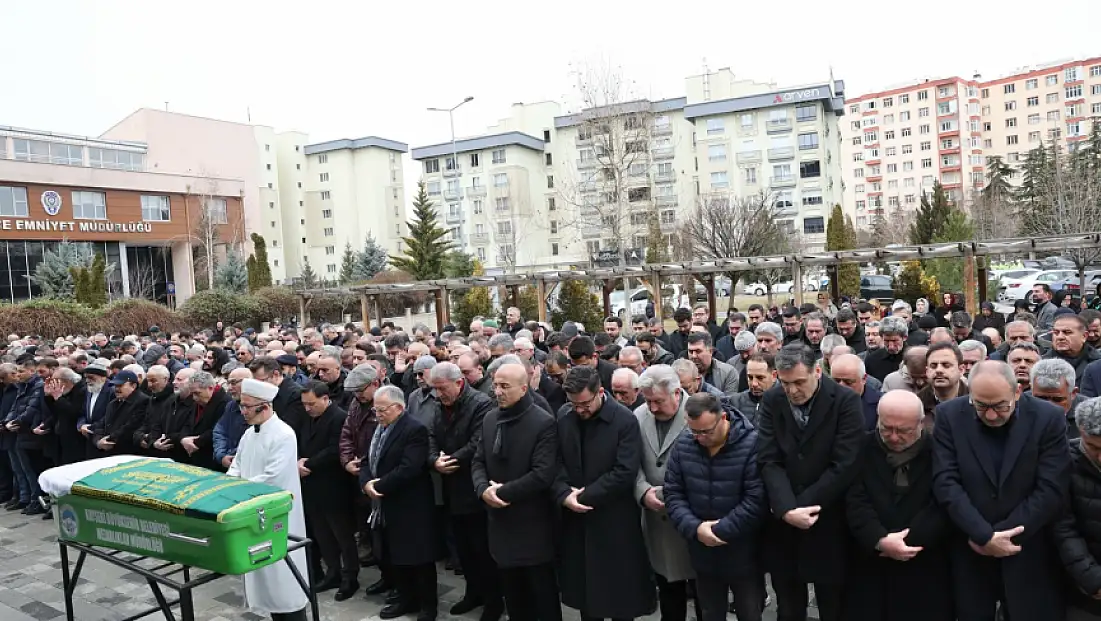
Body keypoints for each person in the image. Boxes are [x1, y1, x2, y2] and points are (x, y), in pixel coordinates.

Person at [932, 360, 1071, 620]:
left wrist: (1002, 538)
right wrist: (983, 535)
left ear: (1017, 392)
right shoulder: (949, 416)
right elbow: (945, 481)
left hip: (1028, 550)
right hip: (970, 550)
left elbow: (1051, 488)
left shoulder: (1048, 418)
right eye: (982, 406)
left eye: (1000, 406)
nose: (992, 415)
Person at [756, 343, 866, 621]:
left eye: (799, 382)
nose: (792, 390)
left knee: (833, 604)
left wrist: (800, 507)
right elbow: (769, 459)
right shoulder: (772, 400)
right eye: (785, 383)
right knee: (789, 605)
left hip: (828, 519)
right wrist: (785, 509)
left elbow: (845, 464)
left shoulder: (845, 401)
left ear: (818, 371)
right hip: (784, 523)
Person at [552, 365, 656, 621]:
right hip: (576, 518)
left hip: (614, 518)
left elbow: (624, 471)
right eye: (574, 404)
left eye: (585, 404)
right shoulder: (565, 416)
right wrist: (564, 493)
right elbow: (554, 463)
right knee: (586, 593)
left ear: (600, 392)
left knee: (620, 594)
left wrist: (584, 496)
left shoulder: (624, 420)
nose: (580, 410)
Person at [844, 390, 952, 621]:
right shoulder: (861, 447)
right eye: (886, 428)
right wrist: (880, 540)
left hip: (924, 564)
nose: (893, 437)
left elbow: (942, 504)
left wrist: (905, 543)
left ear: (921, 424)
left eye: (903, 431)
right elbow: (855, 499)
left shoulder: (941, 452)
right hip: (870, 564)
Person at [664, 392, 765, 621]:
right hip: (702, 550)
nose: (700, 437)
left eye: (707, 431)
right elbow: (673, 493)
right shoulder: (683, 445)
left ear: (723, 418)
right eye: (694, 431)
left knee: (749, 611)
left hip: (744, 550)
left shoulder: (752, 445)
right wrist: (696, 529)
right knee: (710, 612)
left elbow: (755, 499)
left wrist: (719, 530)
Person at [472, 363, 561, 621]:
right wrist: (482, 489)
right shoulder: (490, 419)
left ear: (524, 388)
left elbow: (542, 474)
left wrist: (503, 493)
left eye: (504, 386)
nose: (497, 391)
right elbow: (478, 460)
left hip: (532, 525)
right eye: (496, 385)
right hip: (499, 524)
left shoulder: (543, 422)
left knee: (541, 596)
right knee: (514, 596)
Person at [424, 362, 501, 621]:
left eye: (442, 389)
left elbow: (478, 442)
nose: (438, 395)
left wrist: (451, 460)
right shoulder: (439, 405)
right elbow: (432, 435)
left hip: (473, 485)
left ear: (458, 383)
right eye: (434, 389)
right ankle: (473, 592)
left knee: (481, 549)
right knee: (463, 549)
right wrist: (434, 459)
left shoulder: (480, 403)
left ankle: (493, 600)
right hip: (450, 487)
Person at [227, 378, 310, 621]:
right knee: (261, 572)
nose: (242, 412)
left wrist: (239, 489)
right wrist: (226, 485)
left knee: (283, 579)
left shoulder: (284, 434)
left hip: (277, 516)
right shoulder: (248, 434)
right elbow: (237, 465)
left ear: (264, 407)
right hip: (251, 511)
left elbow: (273, 478)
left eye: (247, 407)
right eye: (241, 406)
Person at [361, 385, 439, 621]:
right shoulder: (380, 428)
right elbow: (368, 459)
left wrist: (378, 486)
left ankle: (427, 605)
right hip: (386, 504)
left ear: (399, 408)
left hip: (411, 505)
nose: (378, 415)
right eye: (376, 410)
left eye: (382, 410)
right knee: (396, 556)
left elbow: (409, 468)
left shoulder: (414, 429)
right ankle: (405, 597)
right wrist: (365, 483)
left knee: (419, 558)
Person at [634, 366, 696, 621]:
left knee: (704, 595)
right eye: (648, 400)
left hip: (692, 519)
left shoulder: (700, 412)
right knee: (669, 593)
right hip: (655, 522)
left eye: (658, 401)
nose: (653, 408)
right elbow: (629, 462)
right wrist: (642, 490)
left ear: (677, 393)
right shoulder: (638, 415)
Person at [298, 380, 359, 601]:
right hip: (312, 486)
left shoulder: (339, 417)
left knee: (342, 535)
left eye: (311, 403)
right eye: (304, 404)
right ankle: (333, 571)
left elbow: (337, 449)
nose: (307, 408)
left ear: (325, 398)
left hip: (334, 486)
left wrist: (308, 463)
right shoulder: (307, 417)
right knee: (322, 534)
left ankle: (350, 576)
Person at [1053, 397, 1101, 620]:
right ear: (1080, 430)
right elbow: (1063, 527)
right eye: (1093, 447)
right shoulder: (1064, 462)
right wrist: (1092, 579)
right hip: (1083, 589)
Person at [1029, 358, 1084, 439]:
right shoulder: (1018, 410)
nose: (1049, 406)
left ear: (1073, 393)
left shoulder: (1089, 416)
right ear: (1031, 390)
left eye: (1057, 399)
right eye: (1041, 399)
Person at [919, 342, 968, 427]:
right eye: (933, 366)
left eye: (946, 365)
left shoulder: (976, 403)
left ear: (961, 370)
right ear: (927, 371)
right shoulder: (917, 405)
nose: (938, 370)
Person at [830, 354, 881, 431]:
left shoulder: (880, 404)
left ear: (864, 378)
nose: (841, 387)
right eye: (836, 381)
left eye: (849, 382)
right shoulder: (822, 401)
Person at [730, 353, 776, 427]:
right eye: (750, 377)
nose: (754, 384)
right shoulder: (735, 401)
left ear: (774, 376)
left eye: (760, 378)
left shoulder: (786, 402)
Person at [865, 317, 908, 383]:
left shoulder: (914, 358)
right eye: (887, 341)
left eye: (895, 341)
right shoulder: (872, 359)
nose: (891, 347)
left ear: (904, 337)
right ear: (882, 337)